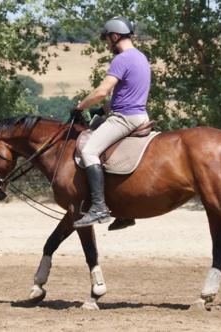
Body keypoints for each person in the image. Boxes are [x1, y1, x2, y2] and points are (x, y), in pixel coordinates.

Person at [73, 16, 151, 228]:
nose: (108, 45)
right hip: (139, 115)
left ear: (115, 36)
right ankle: (124, 210)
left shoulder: (122, 59)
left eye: (107, 40)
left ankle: (98, 207)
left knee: (89, 151)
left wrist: (81, 106)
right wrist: (105, 109)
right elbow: (129, 95)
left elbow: (102, 91)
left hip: (124, 119)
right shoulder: (141, 58)